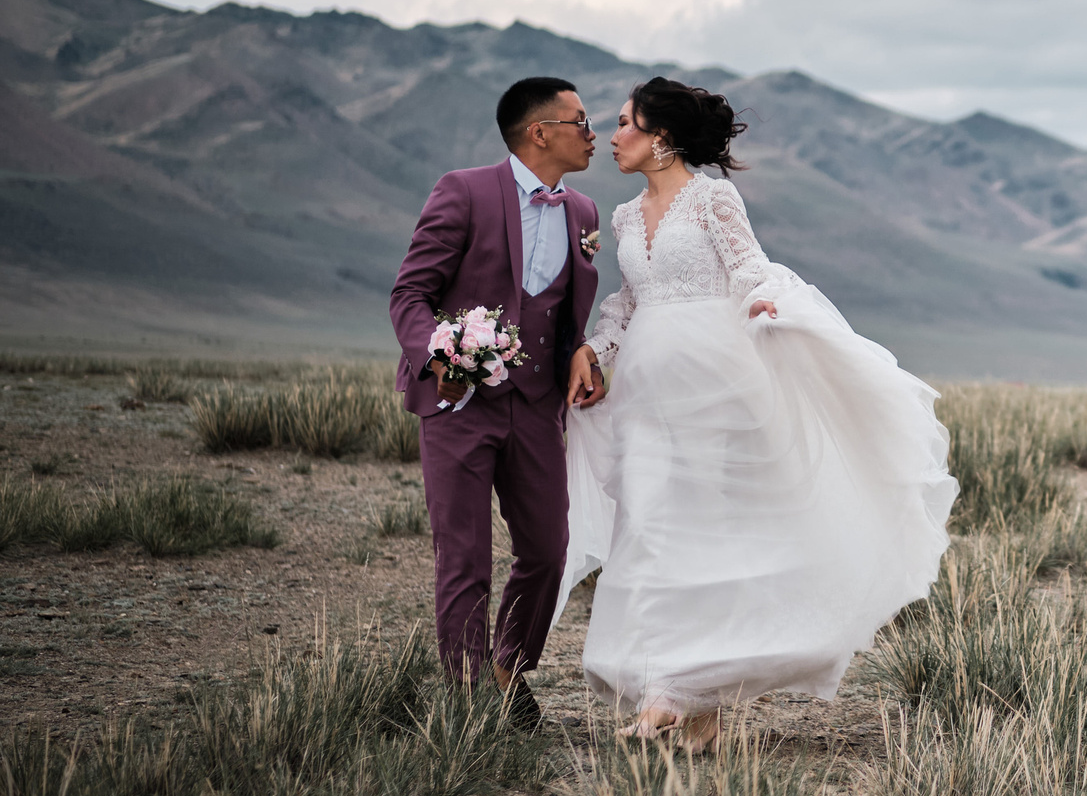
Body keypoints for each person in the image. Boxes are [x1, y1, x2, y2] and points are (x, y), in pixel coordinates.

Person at [560, 76, 955, 749]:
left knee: (703, 533)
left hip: (716, 383)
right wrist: (591, 350)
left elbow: (747, 268)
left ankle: (678, 696)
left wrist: (762, 304)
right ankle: (679, 695)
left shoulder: (714, 199)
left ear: (661, 137)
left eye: (625, 123)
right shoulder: (624, 217)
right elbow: (627, 303)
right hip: (646, 394)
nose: (613, 135)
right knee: (649, 525)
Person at [389, 76, 605, 725]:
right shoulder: (465, 191)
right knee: (465, 557)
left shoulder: (586, 215)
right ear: (540, 132)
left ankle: (508, 666)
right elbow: (409, 294)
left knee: (547, 550)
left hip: (537, 407)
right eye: (580, 120)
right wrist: (442, 354)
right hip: (458, 405)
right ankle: (467, 697)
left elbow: (564, 312)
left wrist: (579, 353)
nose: (592, 133)